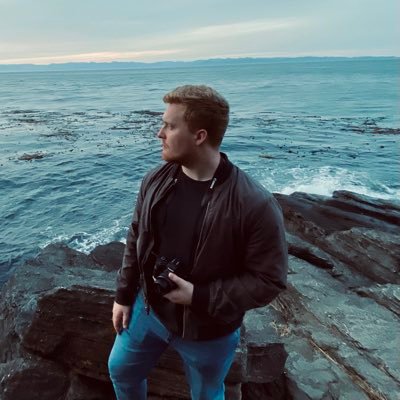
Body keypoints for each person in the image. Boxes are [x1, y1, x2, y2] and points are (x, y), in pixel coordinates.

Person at [108, 85, 288, 400]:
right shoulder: (156, 180)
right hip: (147, 311)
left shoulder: (254, 204)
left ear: (199, 136)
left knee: (206, 394)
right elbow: (137, 234)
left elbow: (269, 280)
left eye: (170, 126)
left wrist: (199, 296)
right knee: (121, 370)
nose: (159, 133)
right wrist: (124, 295)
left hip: (209, 333)